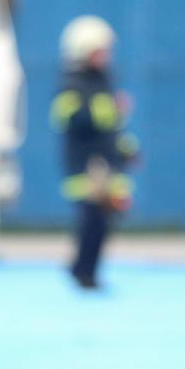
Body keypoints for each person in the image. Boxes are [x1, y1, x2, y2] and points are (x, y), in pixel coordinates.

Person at [50, 15, 137, 290]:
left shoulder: (104, 82)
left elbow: (113, 130)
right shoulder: (72, 85)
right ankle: (82, 270)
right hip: (85, 167)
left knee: (102, 222)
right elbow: (69, 119)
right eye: (100, 51)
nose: (106, 57)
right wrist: (111, 110)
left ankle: (86, 269)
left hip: (107, 165)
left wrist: (128, 151)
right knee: (91, 221)